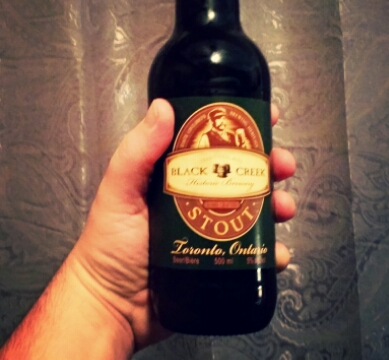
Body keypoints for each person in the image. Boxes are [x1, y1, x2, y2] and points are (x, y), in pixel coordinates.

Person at [0, 99, 296, 360]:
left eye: (221, 119)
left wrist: (102, 300)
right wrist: (101, 293)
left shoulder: (239, 127)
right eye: (216, 119)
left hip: (241, 264)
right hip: (176, 283)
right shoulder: (204, 130)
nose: (219, 122)